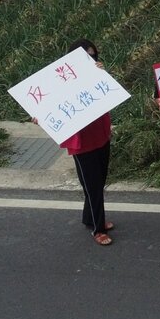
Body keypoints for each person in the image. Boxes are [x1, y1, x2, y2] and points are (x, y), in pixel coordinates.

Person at [61, 39, 114, 246]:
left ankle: (89, 217)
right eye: (86, 56)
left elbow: (109, 94)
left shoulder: (97, 74)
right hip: (82, 143)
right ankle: (97, 228)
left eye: (94, 55)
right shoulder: (63, 82)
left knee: (98, 182)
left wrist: (102, 74)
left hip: (101, 135)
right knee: (92, 186)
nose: (91, 59)